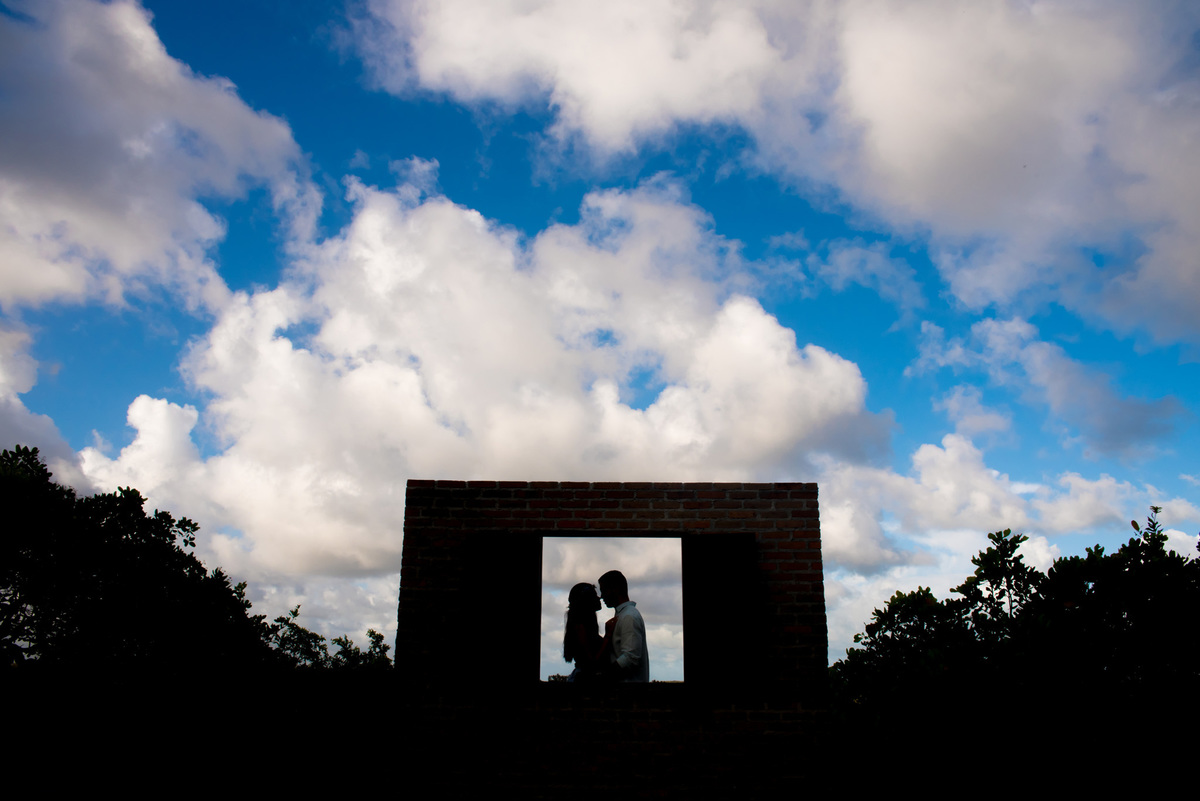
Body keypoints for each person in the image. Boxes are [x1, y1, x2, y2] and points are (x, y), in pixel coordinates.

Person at [597, 570, 649, 682]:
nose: (602, 596)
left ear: (615, 589)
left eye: (604, 590)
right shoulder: (625, 615)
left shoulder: (629, 616)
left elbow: (630, 658)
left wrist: (602, 677)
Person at [562, 582, 606, 682]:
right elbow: (592, 661)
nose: (599, 598)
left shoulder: (578, 626)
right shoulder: (580, 629)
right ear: (586, 600)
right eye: (594, 596)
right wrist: (608, 637)